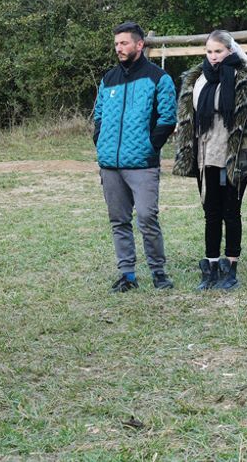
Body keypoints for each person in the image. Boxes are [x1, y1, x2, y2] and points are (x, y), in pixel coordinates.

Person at [174, 30, 247, 291]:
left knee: (231, 211)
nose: (213, 56)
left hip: (234, 153)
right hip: (206, 153)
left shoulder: (244, 77)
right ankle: (211, 265)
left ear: (230, 51)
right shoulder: (197, 78)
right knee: (211, 212)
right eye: (209, 51)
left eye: (219, 51)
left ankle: (231, 266)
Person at [93, 21, 178, 292]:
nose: (119, 48)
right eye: (116, 44)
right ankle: (127, 275)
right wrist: (100, 142)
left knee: (147, 217)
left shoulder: (159, 78)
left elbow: (167, 118)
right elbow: (98, 115)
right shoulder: (108, 79)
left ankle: (158, 271)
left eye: (124, 43)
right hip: (110, 164)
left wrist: (149, 147)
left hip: (142, 164)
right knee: (119, 221)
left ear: (139, 45)